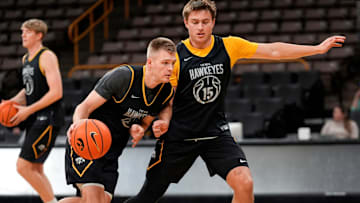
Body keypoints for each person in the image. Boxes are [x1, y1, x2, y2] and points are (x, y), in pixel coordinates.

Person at [125, 1, 346, 203]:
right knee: (148, 196)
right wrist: (163, 121)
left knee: (245, 183)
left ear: (213, 22)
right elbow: (168, 99)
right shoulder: (177, 57)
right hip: (179, 136)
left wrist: (317, 49)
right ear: (186, 23)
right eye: (195, 22)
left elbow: (273, 50)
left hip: (215, 133)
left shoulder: (229, 46)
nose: (200, 27)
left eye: (205, 22)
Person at [59, 37, 176, 203]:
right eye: (165, 63)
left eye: (172, 63)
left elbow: (156, 113)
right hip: (89, 142)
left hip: (112, 149)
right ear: (150, 62)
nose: (170, 68)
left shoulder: (164, 92)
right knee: (94, 201)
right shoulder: (123, 77)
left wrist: (139, 128)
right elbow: (83, 107)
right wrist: (79, 126)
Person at [0, 19, 64, 203]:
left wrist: (28, 110)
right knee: (36, 169)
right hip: (36, 117)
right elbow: (28, 89)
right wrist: (10, 102)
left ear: (39, 35)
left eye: (27, 32)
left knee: (23, 167)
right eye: (22, 32)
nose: (23, 35)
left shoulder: (47, 56)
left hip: (48, 117)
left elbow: (56, 92)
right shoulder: (26, 59)